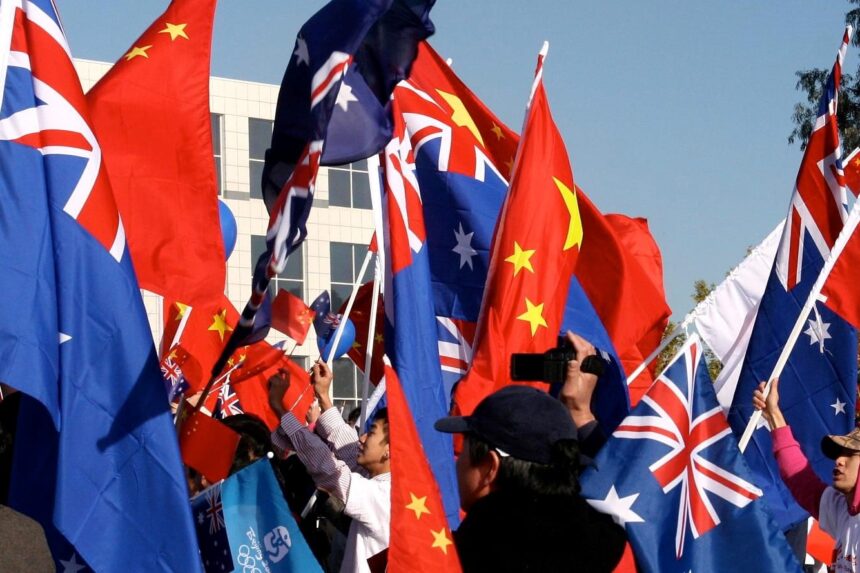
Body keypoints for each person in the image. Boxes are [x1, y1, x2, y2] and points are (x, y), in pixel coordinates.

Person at [434, 332, 626, 572]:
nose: (457, 462)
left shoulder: (453, 558)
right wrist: (581, 413)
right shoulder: (611, 546)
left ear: (490, 467)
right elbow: (621, 494)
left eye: (463, 450)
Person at [268, 361, 390, 573]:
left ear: (389, 451)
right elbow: (346, 445)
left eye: (371, 433)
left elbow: (329, 468)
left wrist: (280, 408)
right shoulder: (376, 481)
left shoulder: (387, 495)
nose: (361, 438)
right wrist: (323, 395)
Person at [753, 377, 860, 571]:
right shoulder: (842, 509)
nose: (839, 460)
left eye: (850, 454)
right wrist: (773, 414)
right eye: (838, 454)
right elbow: (800, 480)